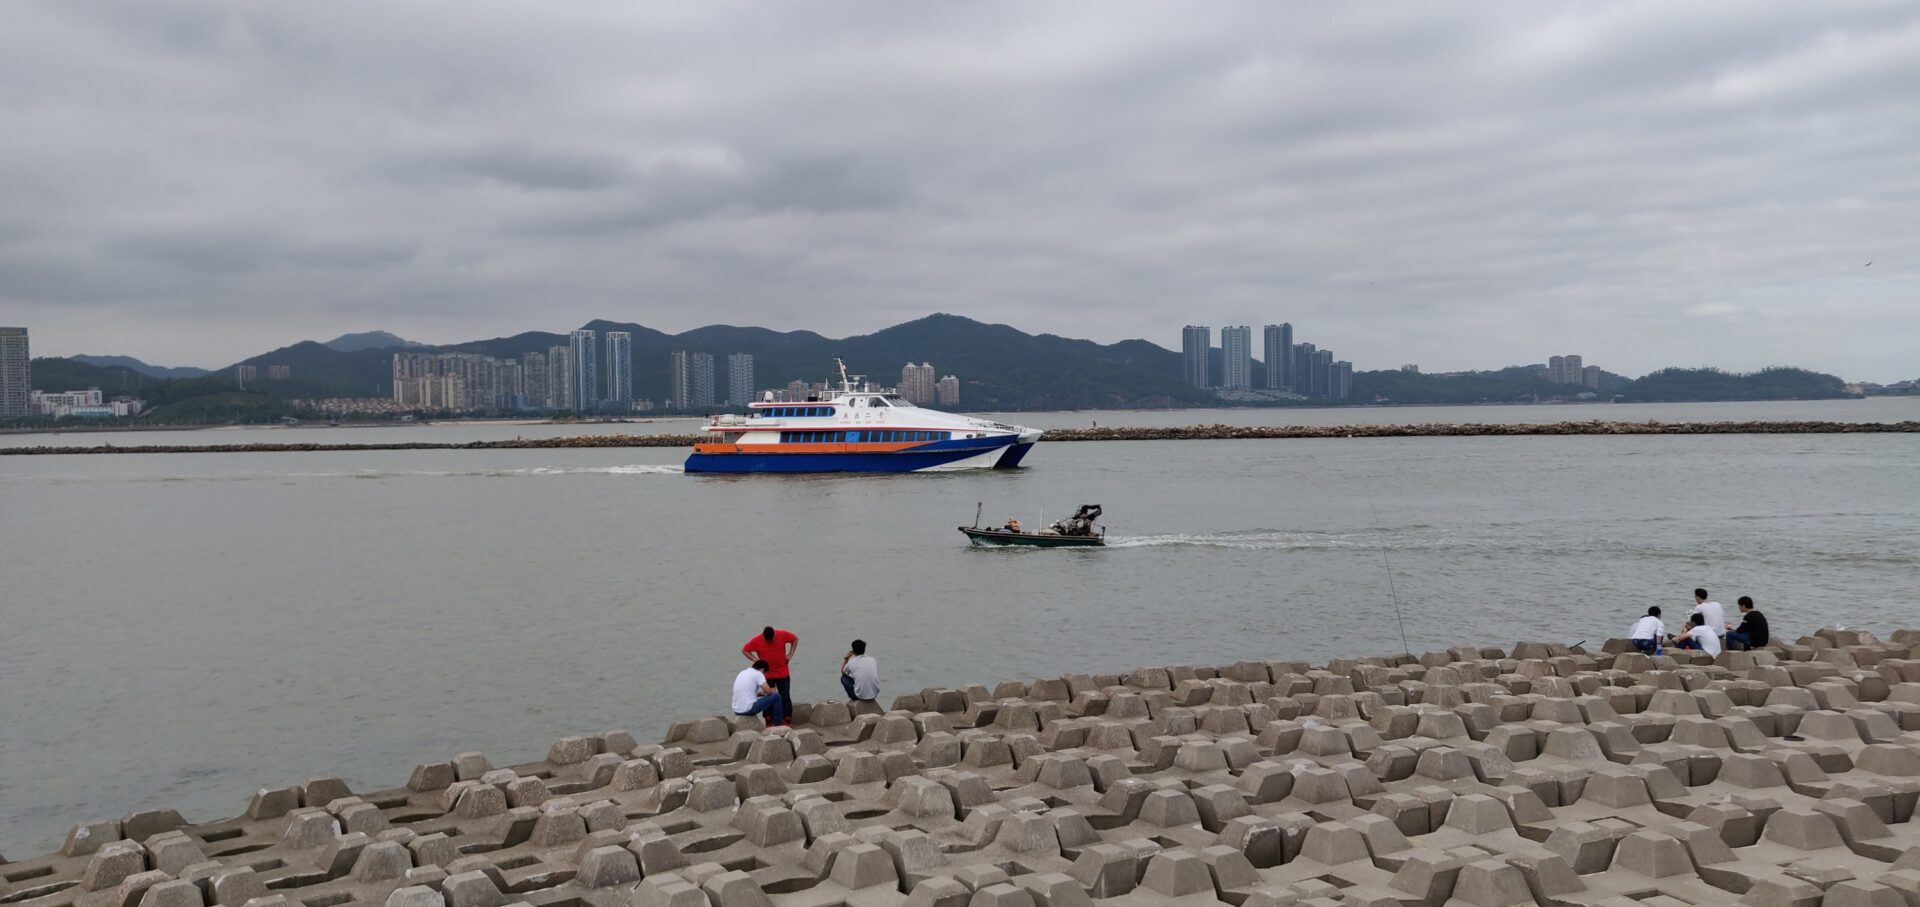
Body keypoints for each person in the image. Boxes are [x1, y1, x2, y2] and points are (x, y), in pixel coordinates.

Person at [742, 626, 799, 725]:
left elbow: (795, 639)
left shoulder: (782, 635)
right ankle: (769, 719)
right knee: (768, 697)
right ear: (764, 637)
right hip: (767, 675)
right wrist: (757, 661)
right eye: (767, 641)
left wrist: (790, 654)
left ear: (774, 636)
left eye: (771, 640)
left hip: (782, 673)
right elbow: (745, 650)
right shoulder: (757, 640)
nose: (769, 642)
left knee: (784, 696)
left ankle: (787, 719)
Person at [732, 660, 786, 726]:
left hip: (737, 710)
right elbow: (768, 692)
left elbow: (745, 691)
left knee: (767, 697)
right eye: (764, 673)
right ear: (762, 669)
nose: (764, 675)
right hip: (748, 709)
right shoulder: (758, 674)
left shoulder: (743, 672)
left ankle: (769, 719)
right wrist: (772, 690)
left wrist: (758, 694)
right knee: (776, 696)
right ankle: (778, 723)